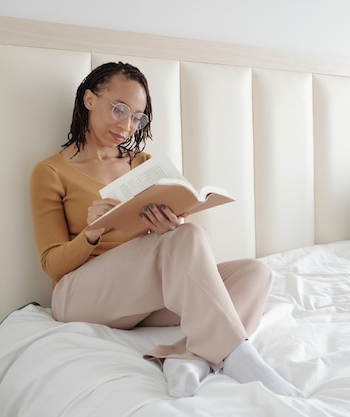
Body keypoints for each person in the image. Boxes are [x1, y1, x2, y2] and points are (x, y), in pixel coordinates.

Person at [29, 61, 303, 398]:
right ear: (88, 99)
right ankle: (238, 355)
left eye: (136, 117)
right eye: (119, 109)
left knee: (256, 272)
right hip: (79, 296)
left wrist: (169, 227)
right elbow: (51, 264)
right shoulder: (51, 172)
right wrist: (91, 234)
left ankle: (189, 359)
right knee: (190, 237)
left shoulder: (144, 165)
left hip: (139, 297)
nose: (127, 125)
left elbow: (168, 246)